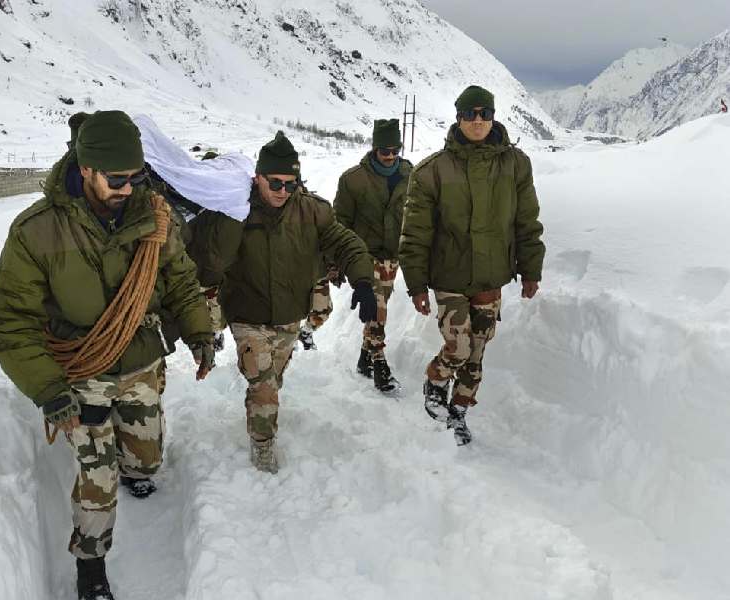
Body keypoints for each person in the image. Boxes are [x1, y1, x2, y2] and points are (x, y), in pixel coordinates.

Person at [0, 110, 214, 600]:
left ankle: (139, 470)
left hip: (142, 363)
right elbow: (9, 322)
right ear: (85, 169)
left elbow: (181, 281)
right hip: (81, 371)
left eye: (137, 177)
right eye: (116, 179)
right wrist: (48, 390)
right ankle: (91, 563)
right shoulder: (37, 232)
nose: (128, 189)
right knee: (98, 474)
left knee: (145, 459)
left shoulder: (155, 218)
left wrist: (199, 331)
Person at [199, 131, 377, 473]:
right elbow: (207, 257)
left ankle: (261, 405)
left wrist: (364, 282)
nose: (283, 191)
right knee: (263, 385)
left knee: (273, 379)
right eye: (275, 183)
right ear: (258, 177)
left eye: (290, 184)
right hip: (246, 315)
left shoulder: (312, 211)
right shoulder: (236, 209)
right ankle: (262, 444)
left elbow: (346, 243)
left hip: (289, 315)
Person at [399, 86, 545, 446]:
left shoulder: (516, 164)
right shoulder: (432, 171)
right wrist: (416, 285)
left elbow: (527, 220)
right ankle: (435, 382)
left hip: (491, 274)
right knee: (458, 347)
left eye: (484, 113)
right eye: (469, 114)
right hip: (449, 275)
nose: (477, 120)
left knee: (478, 351)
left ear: (493, 116)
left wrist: (531, 269)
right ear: (458, 117)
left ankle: (459, 410)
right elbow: (414, 234)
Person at [333, 118, 412, 393]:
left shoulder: (410, 175)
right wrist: (336, 262)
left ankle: (364, 359)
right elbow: (339, 224)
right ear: (374, 148)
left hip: (393, 257)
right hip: (363, 256)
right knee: (377, 309)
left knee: (379, 308)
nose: (390, 156)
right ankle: (380, 364)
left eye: (395, 150)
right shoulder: (353, 179)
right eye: (384, 151)